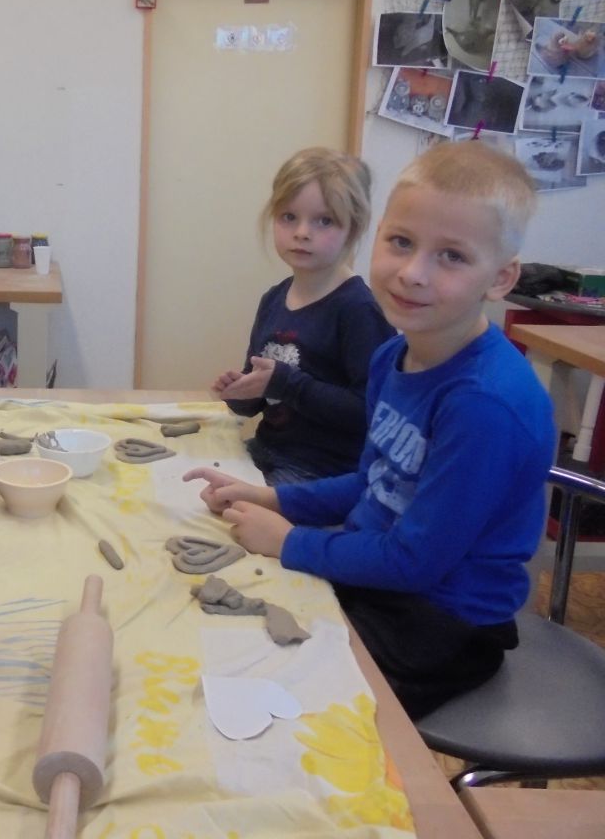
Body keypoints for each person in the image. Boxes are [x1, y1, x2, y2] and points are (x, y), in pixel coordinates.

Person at [185, 140, 556, 719]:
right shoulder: (394, 357)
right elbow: (374, 481)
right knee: (218, 634)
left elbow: (416, 561)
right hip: (379, 577)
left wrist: (289, 541)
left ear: (501, 277)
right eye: (401, 242)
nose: (412, 273)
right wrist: (273, 498)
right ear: (378, 236)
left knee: (277, 703)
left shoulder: (483, 405)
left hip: (441, 622)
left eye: (452, 256)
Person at [212, 147, 395, 484]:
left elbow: (371, 412)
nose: (302, 232)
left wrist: (286, 383)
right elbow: (263, 395)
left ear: (353, 229)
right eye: (288, 217)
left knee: (224, 511)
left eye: (324, 221)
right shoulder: (273, 299)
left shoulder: (359, 310)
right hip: (268, 452)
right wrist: (240, 393)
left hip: (324, 473)